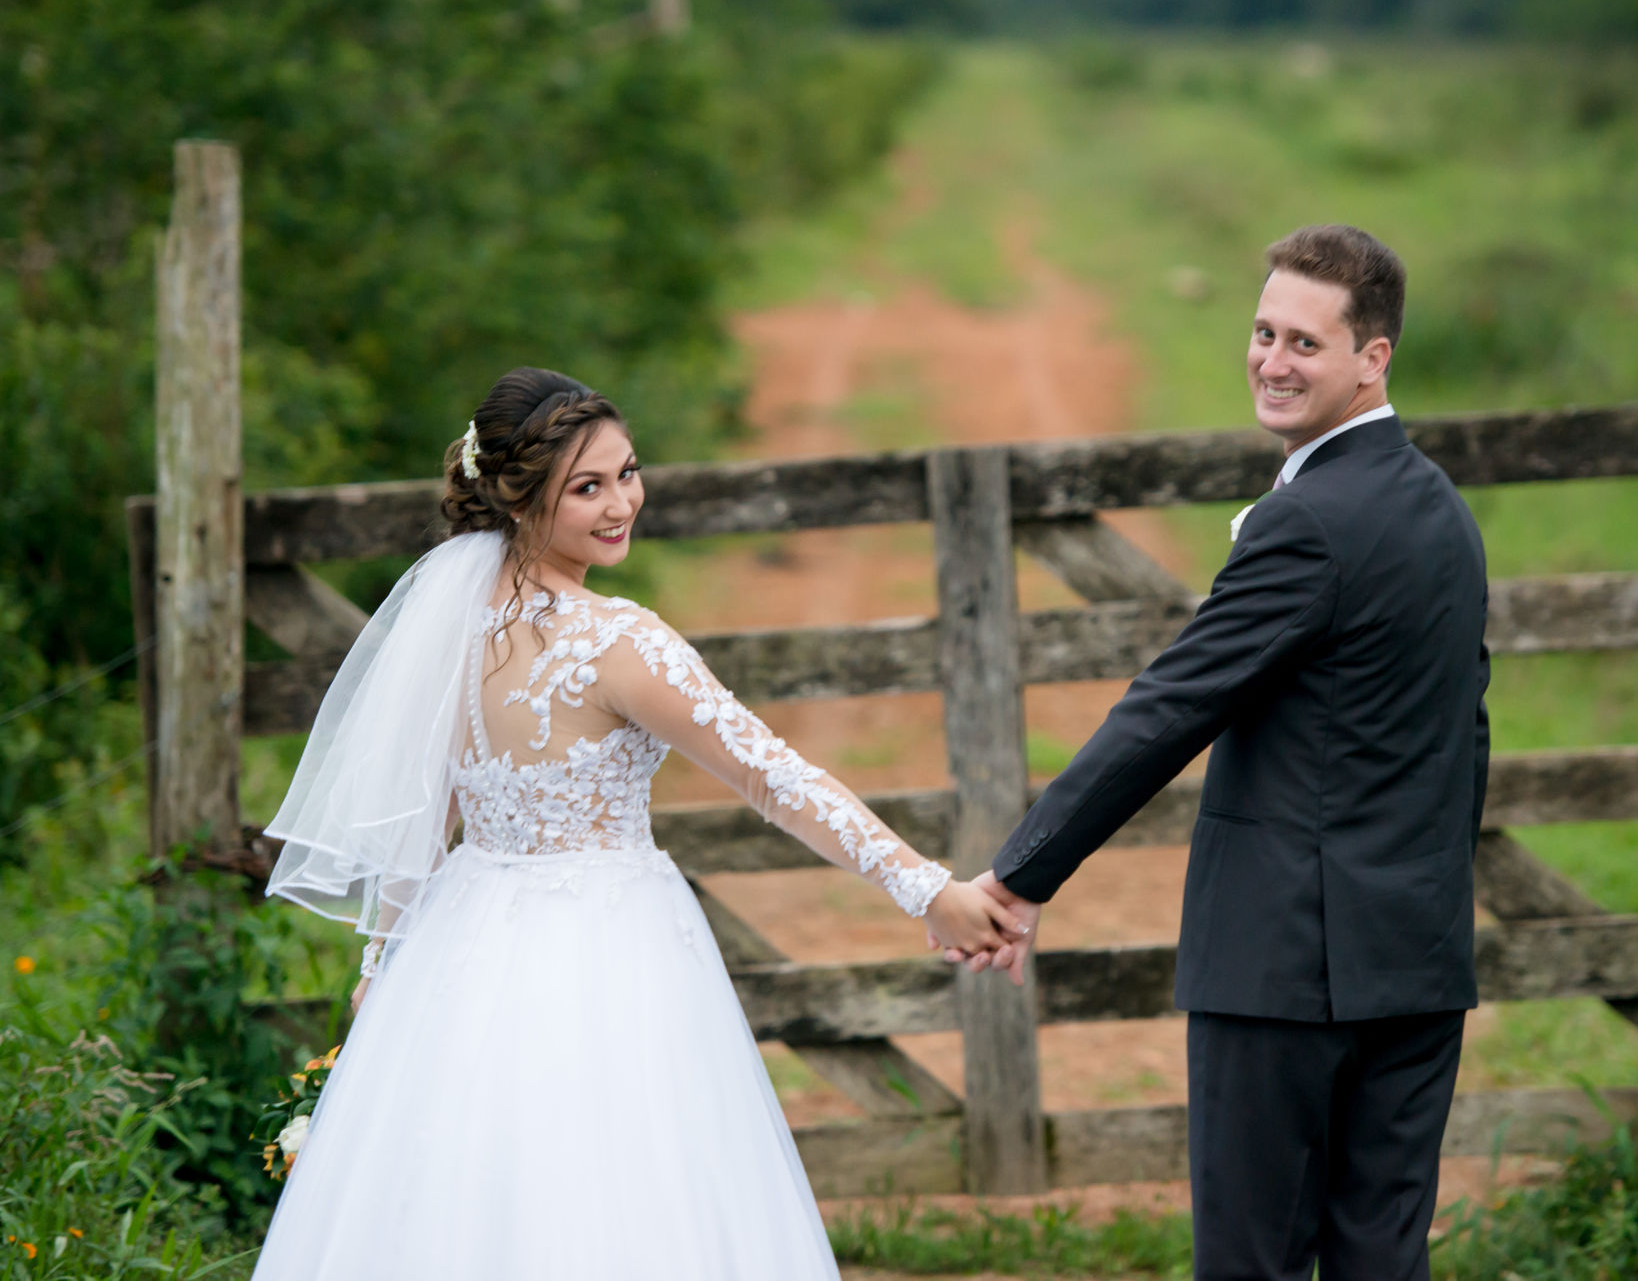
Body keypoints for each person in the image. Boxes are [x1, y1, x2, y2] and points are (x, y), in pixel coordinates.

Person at [251, 367, 1024, 1279]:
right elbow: (773, 777)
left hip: (458, 947)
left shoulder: (450, 624)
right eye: (587, 488)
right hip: (607, 950)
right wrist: (926, 887)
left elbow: (430, 825)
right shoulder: (618, 643)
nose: (621, 503)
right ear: (522, 497)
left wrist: (382, 969)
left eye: (627, 473)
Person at [951, 225, 1491, 1280]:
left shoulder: (1310, 524)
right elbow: (1464, 728)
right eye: (1263, 331)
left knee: (1254, 1259)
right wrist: (1423, 890)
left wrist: (1020, 875)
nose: (1272, 361)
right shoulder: (1443, 511)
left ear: (1372, 358)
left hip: (1285, 966)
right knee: (1382, 1257)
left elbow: (1170, 706)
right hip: (1415, 955)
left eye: (1305, 343)